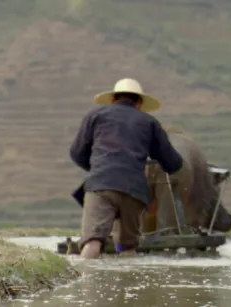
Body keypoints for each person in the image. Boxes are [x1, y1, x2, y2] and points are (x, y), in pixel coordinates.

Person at [69, 78, 184, 259]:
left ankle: (85, 284)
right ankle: (129, 282)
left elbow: (77, 153)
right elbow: (173, 163)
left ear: (114, 99)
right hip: (133, 191)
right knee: (127, 247)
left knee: (93, 241)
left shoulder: (96, 116)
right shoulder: (149, 123)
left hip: (101, 185)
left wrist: (99, 167)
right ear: (139, 103)